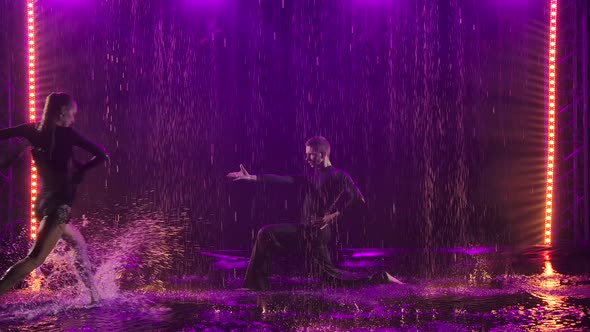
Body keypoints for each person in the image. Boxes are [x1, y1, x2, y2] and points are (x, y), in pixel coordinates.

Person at [227, 136, 401, 290]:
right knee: (331, 277)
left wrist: (332, 216)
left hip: (316, 232)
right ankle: (381, 278)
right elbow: (285, 179)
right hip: (308, 230)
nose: (307, 158)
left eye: (311, 154)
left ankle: (255, 285)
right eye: (306, 153)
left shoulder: (339, 176)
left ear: (323, 154)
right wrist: (253, 177)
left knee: (265, 233)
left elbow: (358, 199)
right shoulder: (311, 176)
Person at [0, 92, 108, 302]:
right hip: (58, 207)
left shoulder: (31, 129)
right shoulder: (68, 134)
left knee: (78, 244)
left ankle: (94, 297)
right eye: (72, 113)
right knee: (34, 259)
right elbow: (102, 153)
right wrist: (81, 170)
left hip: (43, 204)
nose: (73, 119)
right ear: (62, 111)